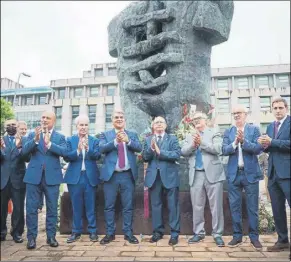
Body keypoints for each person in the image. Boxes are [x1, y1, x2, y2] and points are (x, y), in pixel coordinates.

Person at [22, 111, 67, 249]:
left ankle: (51, 237)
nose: (45, 120)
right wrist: (35, 140)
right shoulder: (32, 134)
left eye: (48, 118)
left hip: (52, 177)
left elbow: (64, 153)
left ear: (54, 120)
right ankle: (31, 238)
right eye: (43, 117)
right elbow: (24, 154)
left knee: (52, 208)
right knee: (31, 208)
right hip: (33, 177)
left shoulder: (60, 137)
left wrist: (50, 144)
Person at [222, 105, 263, 250]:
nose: (236, 115)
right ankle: (237, 236)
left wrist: (244, 142)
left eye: (239, 113)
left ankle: (254, 237)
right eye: (234, 113)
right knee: (235, 207)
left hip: (250, 174)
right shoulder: (228, 131)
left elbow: (258, 148)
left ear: (246, 114)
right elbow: (224, 150)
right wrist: (235, 142)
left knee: (252, 208)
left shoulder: (254, 129)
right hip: (234, 174)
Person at [181, 112, 225, 247]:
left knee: (216, 206)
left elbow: (218, 148)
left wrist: (202, 143)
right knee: (197, 206)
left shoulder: (214, 132)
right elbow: (183, 151)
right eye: (194, 120)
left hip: (213, 173)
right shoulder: (189, 136)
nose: (196, 121)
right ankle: (199, 233)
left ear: (205, 120)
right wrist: (193, 145)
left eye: (199, 119)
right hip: (196, 174)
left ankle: (217, 234)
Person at [99, 108, 142, 245]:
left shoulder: (132, 134)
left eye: (121, 117)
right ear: (112, 120)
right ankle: (109, 233)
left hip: (127, 176)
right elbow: (101, 149)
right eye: (116, 117)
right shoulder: (105, 134)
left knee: (128, 206)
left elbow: (139, 147)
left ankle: (128, 233)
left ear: (124, 120)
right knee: (109, 206)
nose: (119, 119)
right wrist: (115, 142)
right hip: (111, 176)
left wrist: (128, 141)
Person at [258, 97, 290, 253]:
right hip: (273, 174)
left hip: (288, 173)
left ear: (286, 108)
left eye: (280, 108)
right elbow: (269, 147)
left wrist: (272, 142)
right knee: (277, 210)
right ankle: (283, 241)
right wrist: (264, 145)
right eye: (275, 108)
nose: (277, 111)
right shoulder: (271, 126)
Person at [143, 116, 181, 246]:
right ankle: (157, 232)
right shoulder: (148, 139)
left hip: (170, 176)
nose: (159, 124)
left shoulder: (173, 138)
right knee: (156, 206)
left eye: (161, 122)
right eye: (156, 122)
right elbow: (145, 157)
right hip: (154, 177)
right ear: (153, 126)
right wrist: (151, 149)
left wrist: (160, 152)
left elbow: (176, 154)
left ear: (165, 125)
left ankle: (174, 234)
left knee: (173, 206)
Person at [64, 115, 101, 243]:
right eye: (81, 125)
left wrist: (88, 149)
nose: (83, 127)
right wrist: (78, 150)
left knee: (91, 206)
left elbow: (97, 155)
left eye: (86, 125)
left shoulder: (94, 140)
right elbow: (67, 156)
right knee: (76, 206)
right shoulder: (70, 140)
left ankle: (92, 231)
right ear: (76, 126)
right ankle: (76, 232)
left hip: (90, 177)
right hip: (75, 178)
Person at [1, 119, 29, 243]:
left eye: (13, 125)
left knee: (18, 208)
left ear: (17, 126)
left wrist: (19, 148)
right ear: (4, 127)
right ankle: (1, 232)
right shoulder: (1, 140)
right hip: (3, 179)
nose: (11, 127)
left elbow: (27, 158)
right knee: (1, 209)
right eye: (8, 125)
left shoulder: (24, 140)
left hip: (18, 179)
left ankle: (17, 232)